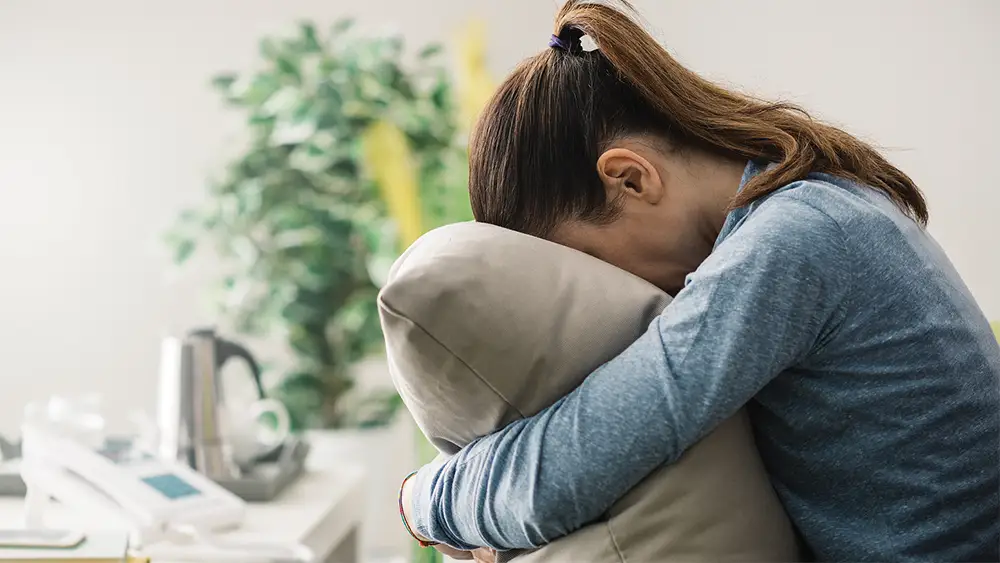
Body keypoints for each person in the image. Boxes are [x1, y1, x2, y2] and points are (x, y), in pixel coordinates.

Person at [398, 1, 1000, 561]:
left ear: (630, 180)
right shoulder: (828, 202)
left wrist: (421, 502)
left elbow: (566, 472)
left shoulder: (793, 242)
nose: (607, 287)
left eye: (587, 261)